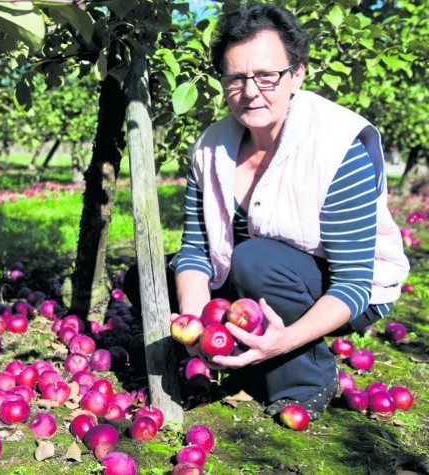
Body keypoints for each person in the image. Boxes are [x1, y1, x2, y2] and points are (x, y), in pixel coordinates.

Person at [127, 3, 410, 421]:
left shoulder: (337, 147)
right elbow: (194, 251)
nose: (251, 90)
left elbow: (354, 282)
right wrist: (195, 315)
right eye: (236, 77)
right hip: (261, 278)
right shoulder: (211, 147)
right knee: (147, 278)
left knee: (253, 259)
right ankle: (244, 356)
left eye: (267, 76)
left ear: (297, 73)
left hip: (348, 290)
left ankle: (303, 377)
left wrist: (283, 341)